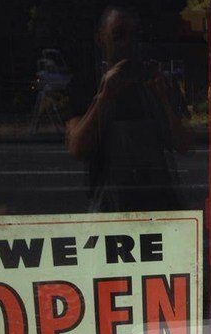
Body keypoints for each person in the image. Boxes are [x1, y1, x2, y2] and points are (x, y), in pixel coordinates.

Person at [65, 4, 187, 212]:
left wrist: (164, 99)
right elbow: (78, 148)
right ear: (100, 39)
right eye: (118, 36)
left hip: (159, 204)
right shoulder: (87, 83)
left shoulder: (154, 80)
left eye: (135, 35)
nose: (128, 43)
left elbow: (183, 145)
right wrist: (104, 97)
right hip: (110, 208)